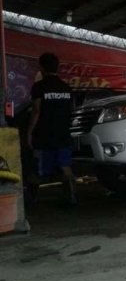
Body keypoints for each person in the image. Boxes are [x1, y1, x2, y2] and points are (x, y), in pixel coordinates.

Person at [27, 52, 76, 205]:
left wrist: (29, 132)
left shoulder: (39, 87)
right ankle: (71, 197)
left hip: (44, 134)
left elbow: (36, 111)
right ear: (58, 67)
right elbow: (71, 111)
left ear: (41, 67)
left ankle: (31, 199)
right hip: (63, 134)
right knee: (65, 167)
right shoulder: (66, 88)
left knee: (36, 168)